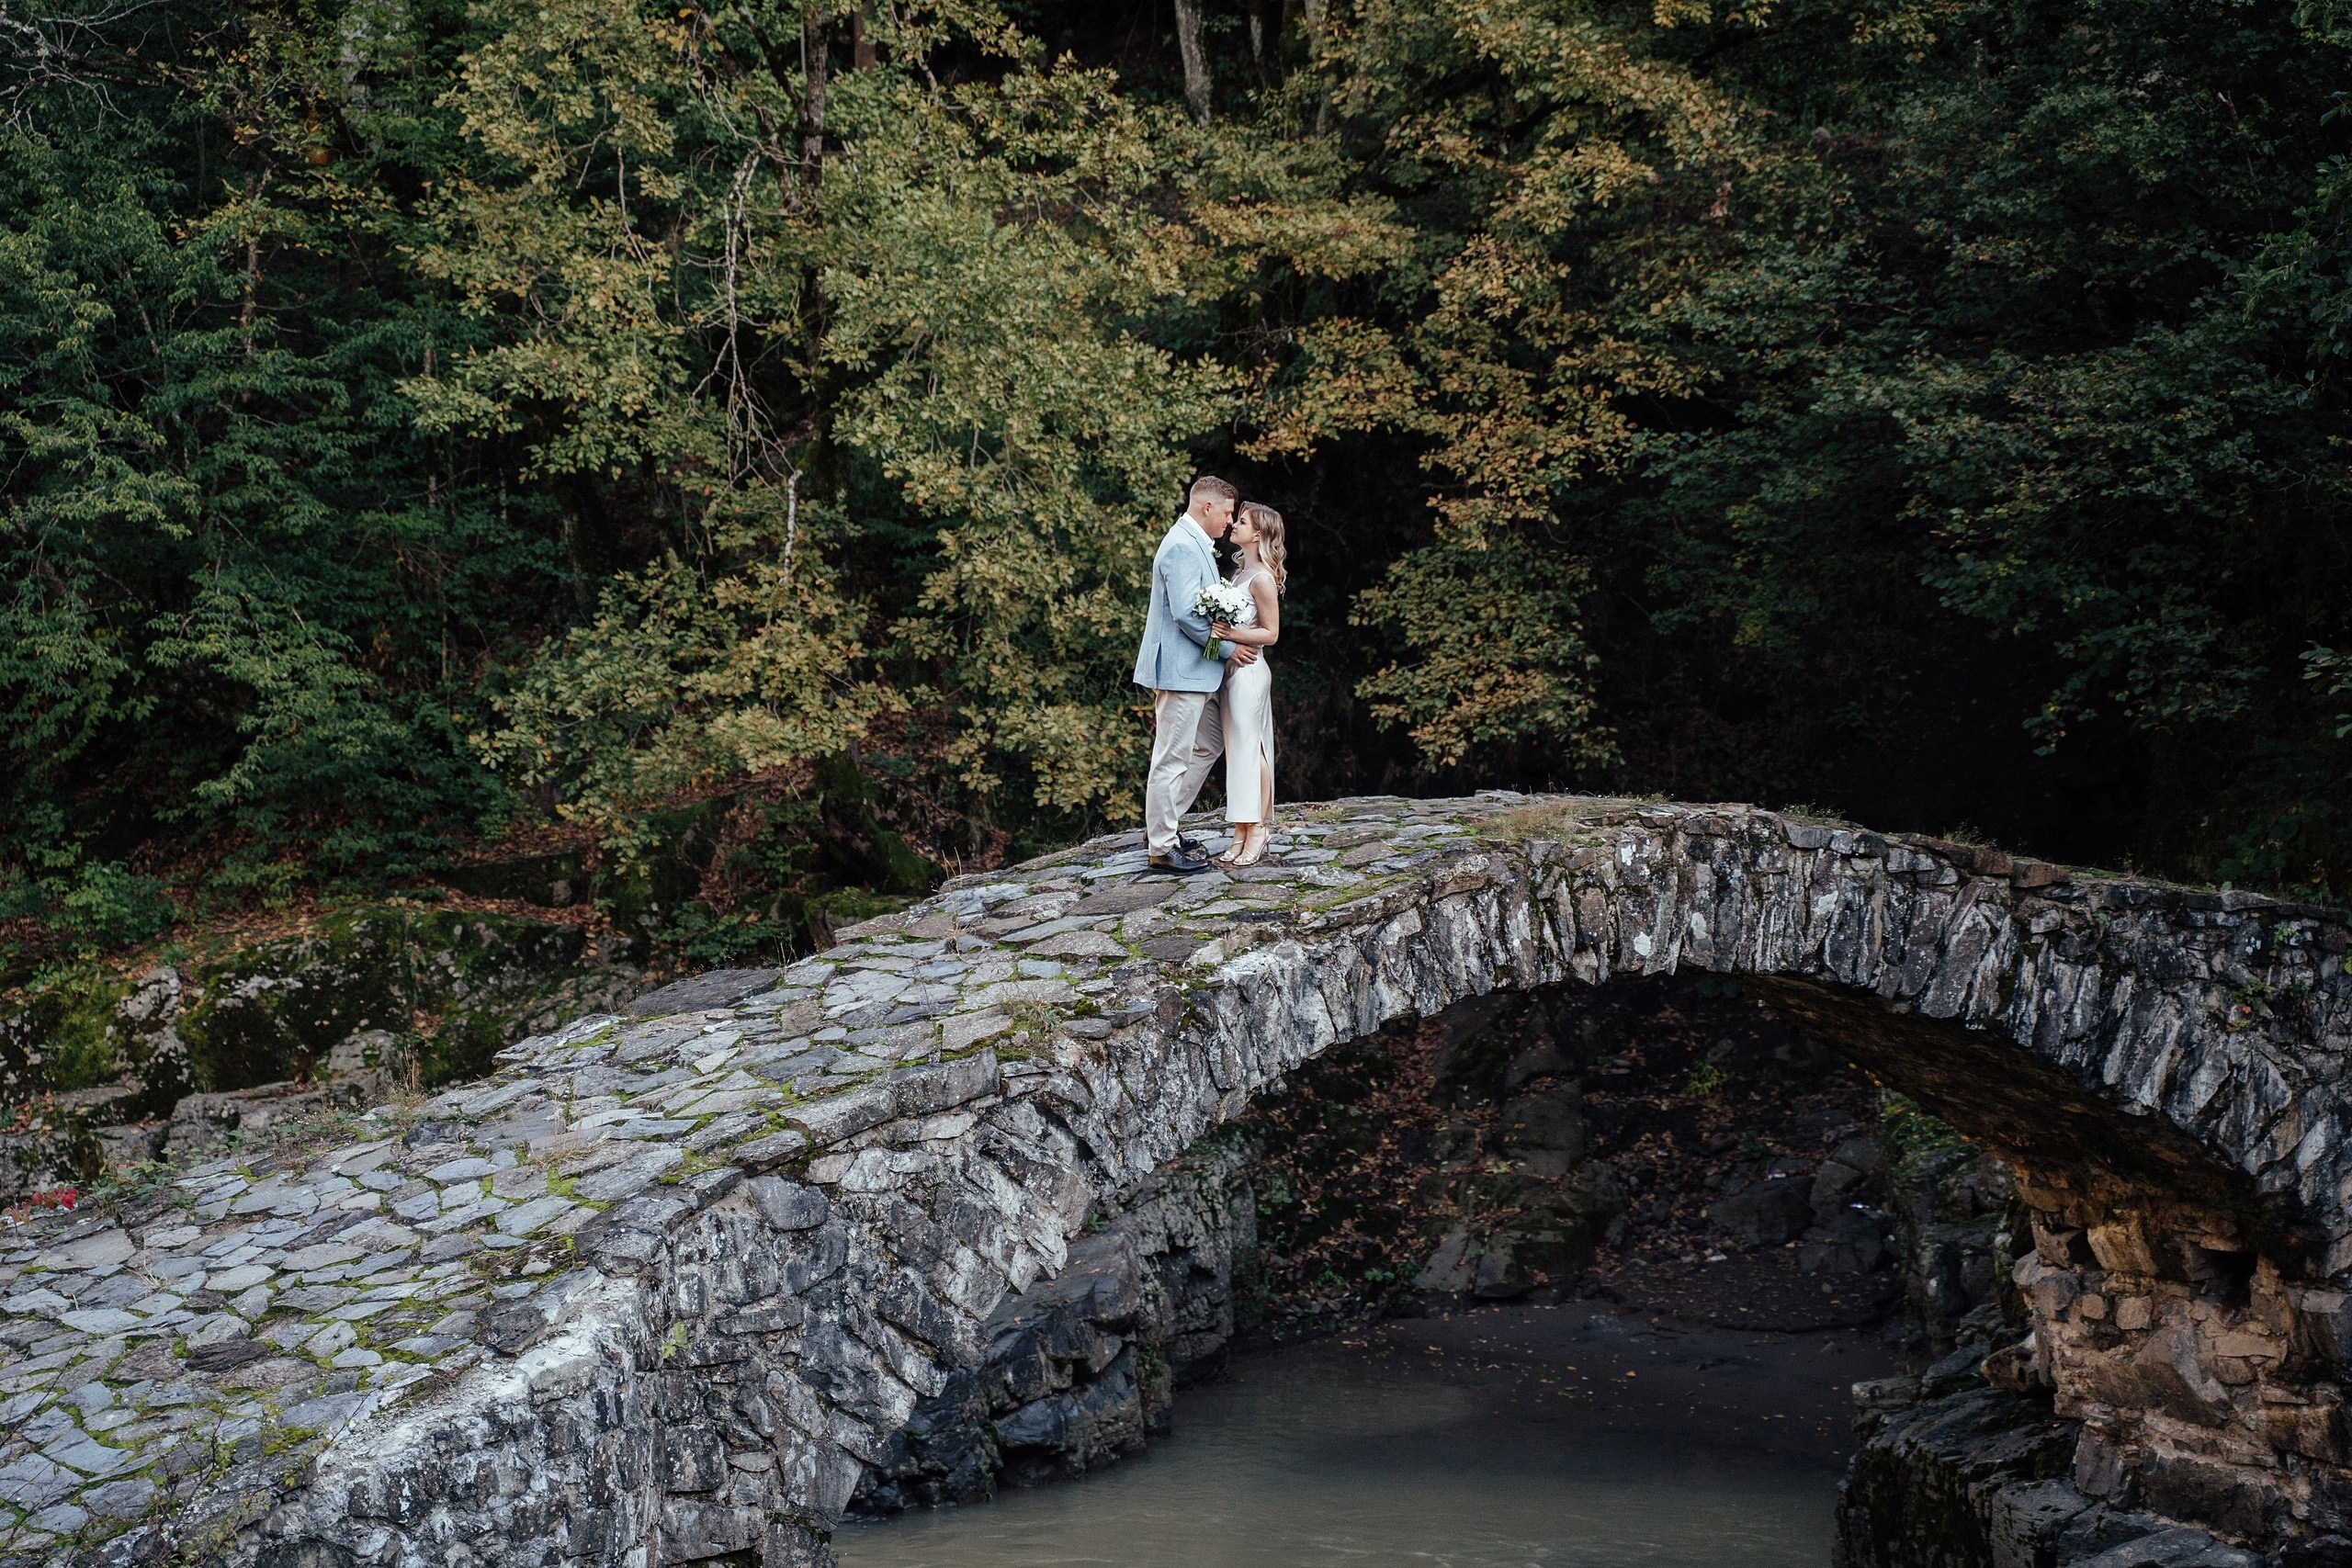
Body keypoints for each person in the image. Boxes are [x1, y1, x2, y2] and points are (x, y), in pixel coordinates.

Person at [1133, 476, 1261, 874]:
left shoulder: (1194, 543)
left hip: (1196, 672)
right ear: (1207, 508)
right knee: (1171, 758)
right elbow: (1187, 612)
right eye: (1226, 513)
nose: (1228, 522)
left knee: (1206, 746)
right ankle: (1161, 846)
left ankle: (1163, 827)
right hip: (1180, 671)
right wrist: (1229, 647)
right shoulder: (1181, 546)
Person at [1209, 502, 1283, 867]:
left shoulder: (1263, 578)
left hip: (1251, 671)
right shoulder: (1239, 574)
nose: (1233, 525)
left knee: (1252, 750)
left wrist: (1230, 634)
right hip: (1232, 672)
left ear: (1258, 534)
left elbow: (1271, 633)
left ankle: (1258, 828)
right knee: (1237, 750)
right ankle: (1241, 826)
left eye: (1241, 522)